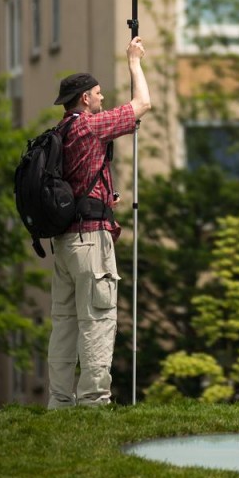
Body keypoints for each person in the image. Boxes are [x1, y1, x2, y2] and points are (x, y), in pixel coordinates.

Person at [47, 36, 151, 409]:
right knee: (97, 320)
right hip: (91, 243)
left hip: (64, 243)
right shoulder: (88, 127)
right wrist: (134, 61)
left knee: (65, 323)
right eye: (98, 93)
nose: (102, 98)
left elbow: (76, 184)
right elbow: (143, 105)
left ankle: (60, 402)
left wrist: (106, 200)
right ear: (85, 99)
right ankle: (93, 401)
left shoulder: (61, 131)